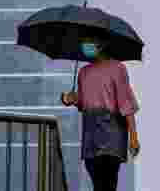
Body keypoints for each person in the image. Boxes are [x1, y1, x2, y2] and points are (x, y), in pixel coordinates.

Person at [60, 36, 140, 191]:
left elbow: (126, 103)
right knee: (96, 180)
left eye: (90, 42)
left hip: (112, 131)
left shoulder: (117, 68)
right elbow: (84, 102)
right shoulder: (83, 72)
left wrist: (133, 137)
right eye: (84, 42)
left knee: (108, 179)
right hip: (91, 132)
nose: (85, 46)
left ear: (102, 44)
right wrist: (71, 99)